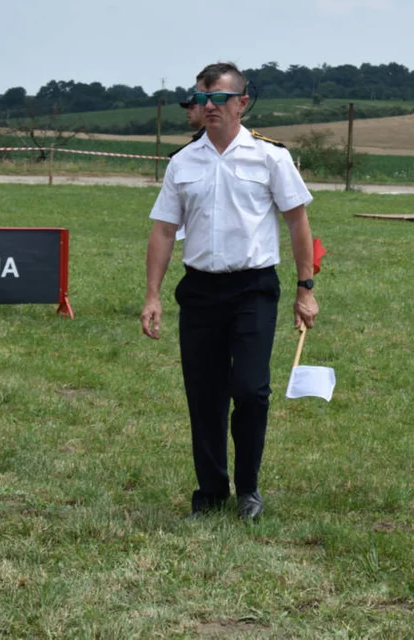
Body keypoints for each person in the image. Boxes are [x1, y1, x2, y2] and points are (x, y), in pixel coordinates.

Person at [141, 61, 319, 521]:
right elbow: (163, 231)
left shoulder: (270, 157)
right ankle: (212, 490)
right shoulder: (182, 163)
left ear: (242, 102)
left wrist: (306, 287)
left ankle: (249, 490)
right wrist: (153, 295)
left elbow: (297, 222)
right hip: (199, 289)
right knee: (204, 394)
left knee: (251, 389)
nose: (208, 106)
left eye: (219, 98)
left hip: (252, 288)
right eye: (202, 99)